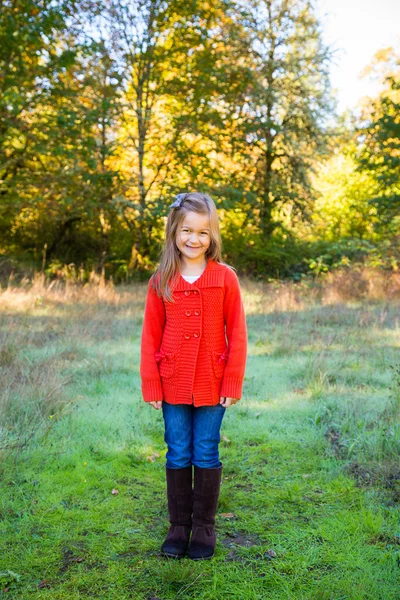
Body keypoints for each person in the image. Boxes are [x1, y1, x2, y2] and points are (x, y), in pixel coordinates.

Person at [140, 191, 247, 560]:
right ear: (174, 232)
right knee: (177, 449)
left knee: (206, 448)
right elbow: (150, 335)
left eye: (203, 233)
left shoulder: (225, 278)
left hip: (213, 383)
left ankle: (203, 526)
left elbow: (238, 332)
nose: (194, 239)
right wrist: (151, 382)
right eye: (187, 230)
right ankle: (178, 526)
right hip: (171, 382)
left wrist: (232, 382)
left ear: (212, 235)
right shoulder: (161, 279)